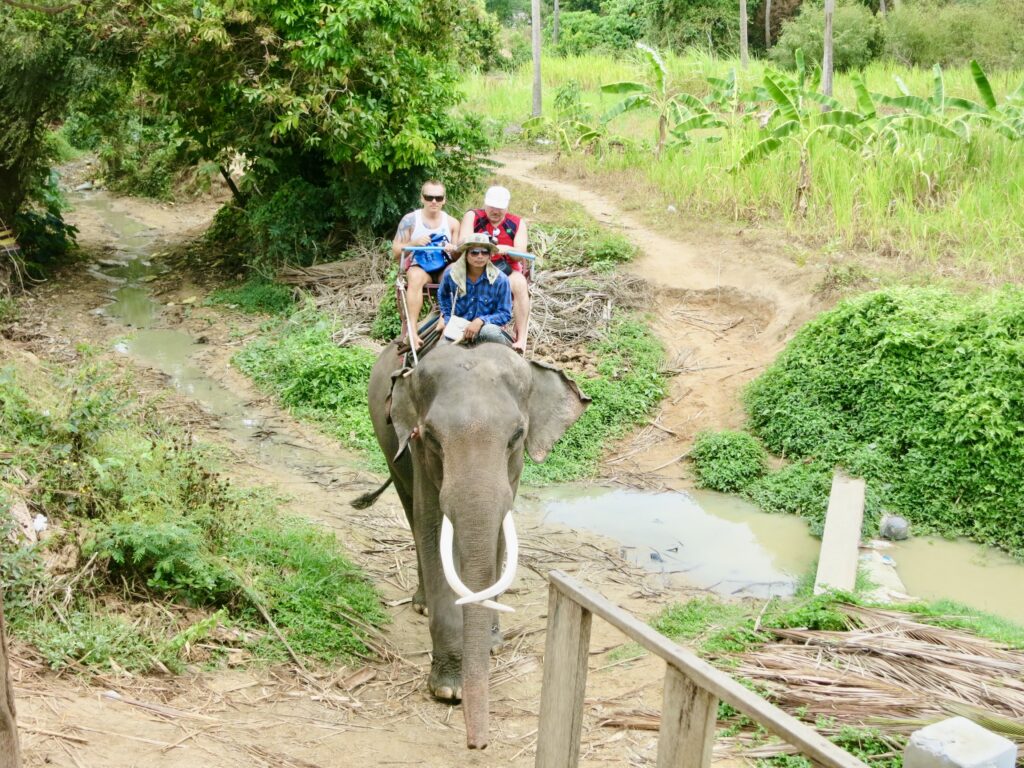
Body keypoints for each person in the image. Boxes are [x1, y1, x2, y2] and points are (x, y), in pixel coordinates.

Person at [460, 185, 530, 353]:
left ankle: (521, 338)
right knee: (453, 274)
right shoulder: (473, 216)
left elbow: (521, 253)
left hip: (504, 269)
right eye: (492, 207)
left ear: (506, 207)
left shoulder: (517, 223)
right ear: (485, 204)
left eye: (500, 208)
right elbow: (462, 242)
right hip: (475, 265)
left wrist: (507, 249)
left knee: (520, 283)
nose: (495, 211)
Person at [392, 180, 461, 349]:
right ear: (422, 198)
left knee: (455, 273)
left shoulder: (452, 223)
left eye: (438, 197)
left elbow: (459, 256)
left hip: (445, 265)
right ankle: (412, 330)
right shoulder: (410, 220)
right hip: (422, 265)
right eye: (429, 197)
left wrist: (453, 249)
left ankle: (447, 319)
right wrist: (414, 243)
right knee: (414, 276)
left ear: (444, 199)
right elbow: (396, 252)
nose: (434, 202)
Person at [436, 234, 512, 346]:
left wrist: (481, 321)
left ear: (490, 255)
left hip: (485, 329)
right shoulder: (452, 275)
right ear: (466, 254)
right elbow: (442, 296)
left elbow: (505, 313)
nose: (480, 256)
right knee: (441, 350)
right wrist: (447, 319)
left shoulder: (500, 279)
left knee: (490, 332)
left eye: (484, 252)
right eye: (474, 252)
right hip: (459, 328)